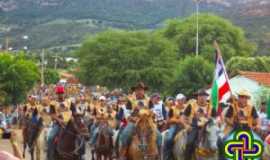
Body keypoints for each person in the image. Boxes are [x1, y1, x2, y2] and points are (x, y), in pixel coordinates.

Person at [164, 93, 186, 160]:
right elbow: (168, 120)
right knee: (169, 139)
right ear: (177, 100)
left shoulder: (186, 108)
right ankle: (167, 155)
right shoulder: (172, 109)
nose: (181, 101)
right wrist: (177, 120)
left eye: (182, 100)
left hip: (185, 126)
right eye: (179, 100)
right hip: (174, 126)